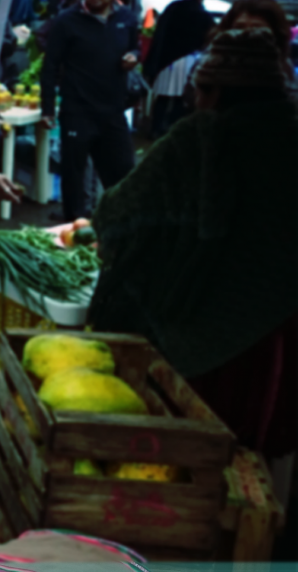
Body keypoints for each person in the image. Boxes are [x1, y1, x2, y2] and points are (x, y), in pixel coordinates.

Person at [89, 28, 295, 463]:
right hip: (277, 341)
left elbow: (115, 216)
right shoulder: (288, 138)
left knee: (188, 452)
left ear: (216, 91)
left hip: (197, 334)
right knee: (249, 460)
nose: (196, 100)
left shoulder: (200, 139)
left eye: (200, 89)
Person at [40, 0, 140, 221]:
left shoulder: (126, 18)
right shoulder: (66, 21)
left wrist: (133, 56)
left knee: (123, 173)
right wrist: (48, 107)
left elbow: (136, 48)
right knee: (74, 175)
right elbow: (50, 66)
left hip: (113, 111)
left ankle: (120, 224)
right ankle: (74, 226)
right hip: (77, 111)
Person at [142, 0, 215, 138]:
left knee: (163, 97)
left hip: (165, 62)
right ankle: (172, 131)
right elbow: (209, 37)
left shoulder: (172, 8)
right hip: (188, 61)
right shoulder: (201, 14)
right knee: (180, 99)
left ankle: (156, 128)